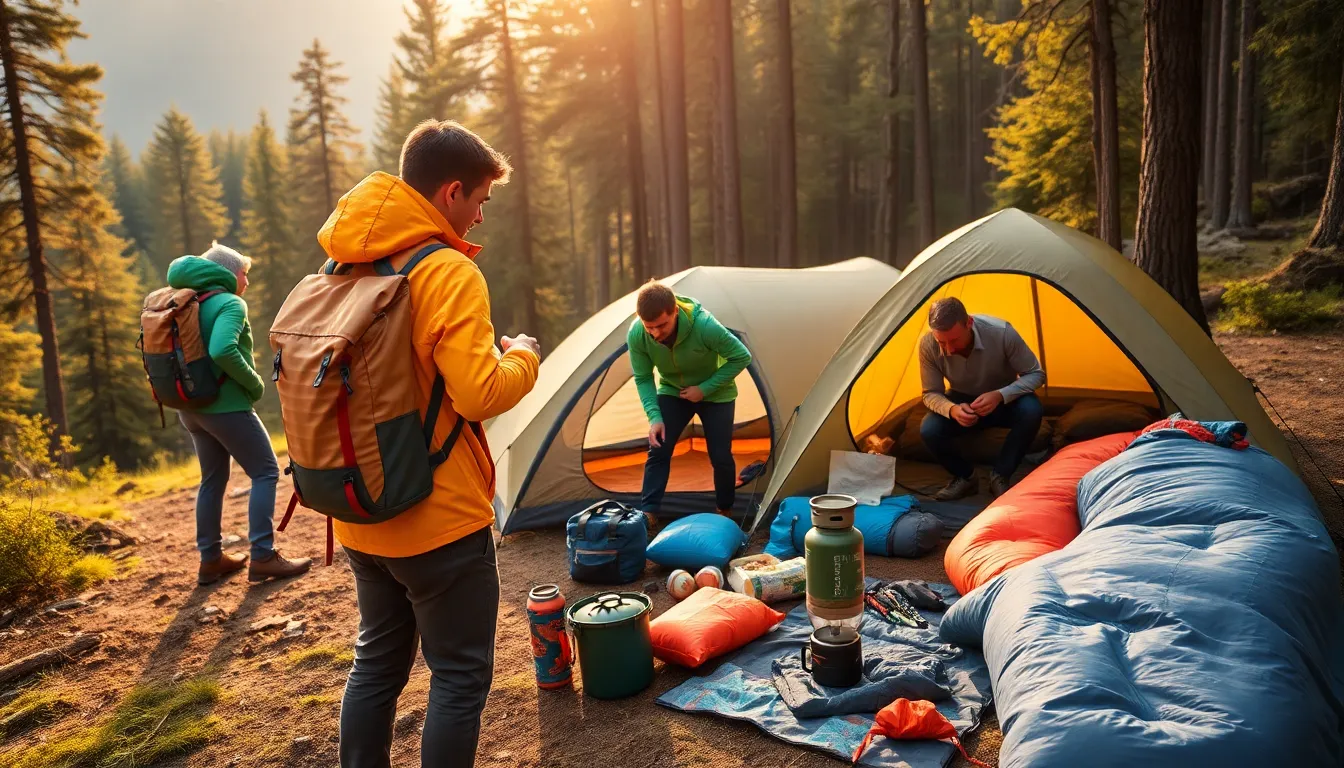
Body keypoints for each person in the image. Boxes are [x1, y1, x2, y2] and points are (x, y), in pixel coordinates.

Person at [319, 119, 540, 768]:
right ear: (449, 193)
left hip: (359, 511)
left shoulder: (343, 263)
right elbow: (476, 396)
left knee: (376, 664)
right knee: (459, 676)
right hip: (437, 520)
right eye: (479, 200)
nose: (479, 216)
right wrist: (523, 359)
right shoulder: (445, 271)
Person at [170, 243, 313, 585]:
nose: (246, 282)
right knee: (264, 471)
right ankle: (263, 555)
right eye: (244, 274)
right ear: (229, 273)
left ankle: (211, 559)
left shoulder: (183, 302)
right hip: (226, 406)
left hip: (190, 409)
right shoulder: (229, 303)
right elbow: (222, 349)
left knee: (212, 479)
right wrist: (254, 383)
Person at [629, 282, 752, 517]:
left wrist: (704, 389)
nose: (655, 333)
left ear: (675, 311)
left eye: (661, 325)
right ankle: (648, 515)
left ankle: (724, 511)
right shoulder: (637, 333)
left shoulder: (705, 326)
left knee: (720, 456)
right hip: (673, 391)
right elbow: (643, 377)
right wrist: (654, 417)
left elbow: (741, 357)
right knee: (658, 449)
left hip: (717, 394)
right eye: (649, 327)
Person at [918, 297, 1045, 500]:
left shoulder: (1002, 333)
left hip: (1004, 396)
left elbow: (1036, 374)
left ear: (969, 323)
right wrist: (952, 409)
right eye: (942, 342)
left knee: (1032, 411)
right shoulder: (927, 345)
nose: (949, 350)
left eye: (954, 340)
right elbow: (930, 393)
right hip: (961, 399)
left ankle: (1001, 475)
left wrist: (1000, 395)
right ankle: (965, 476)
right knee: (929, 429)